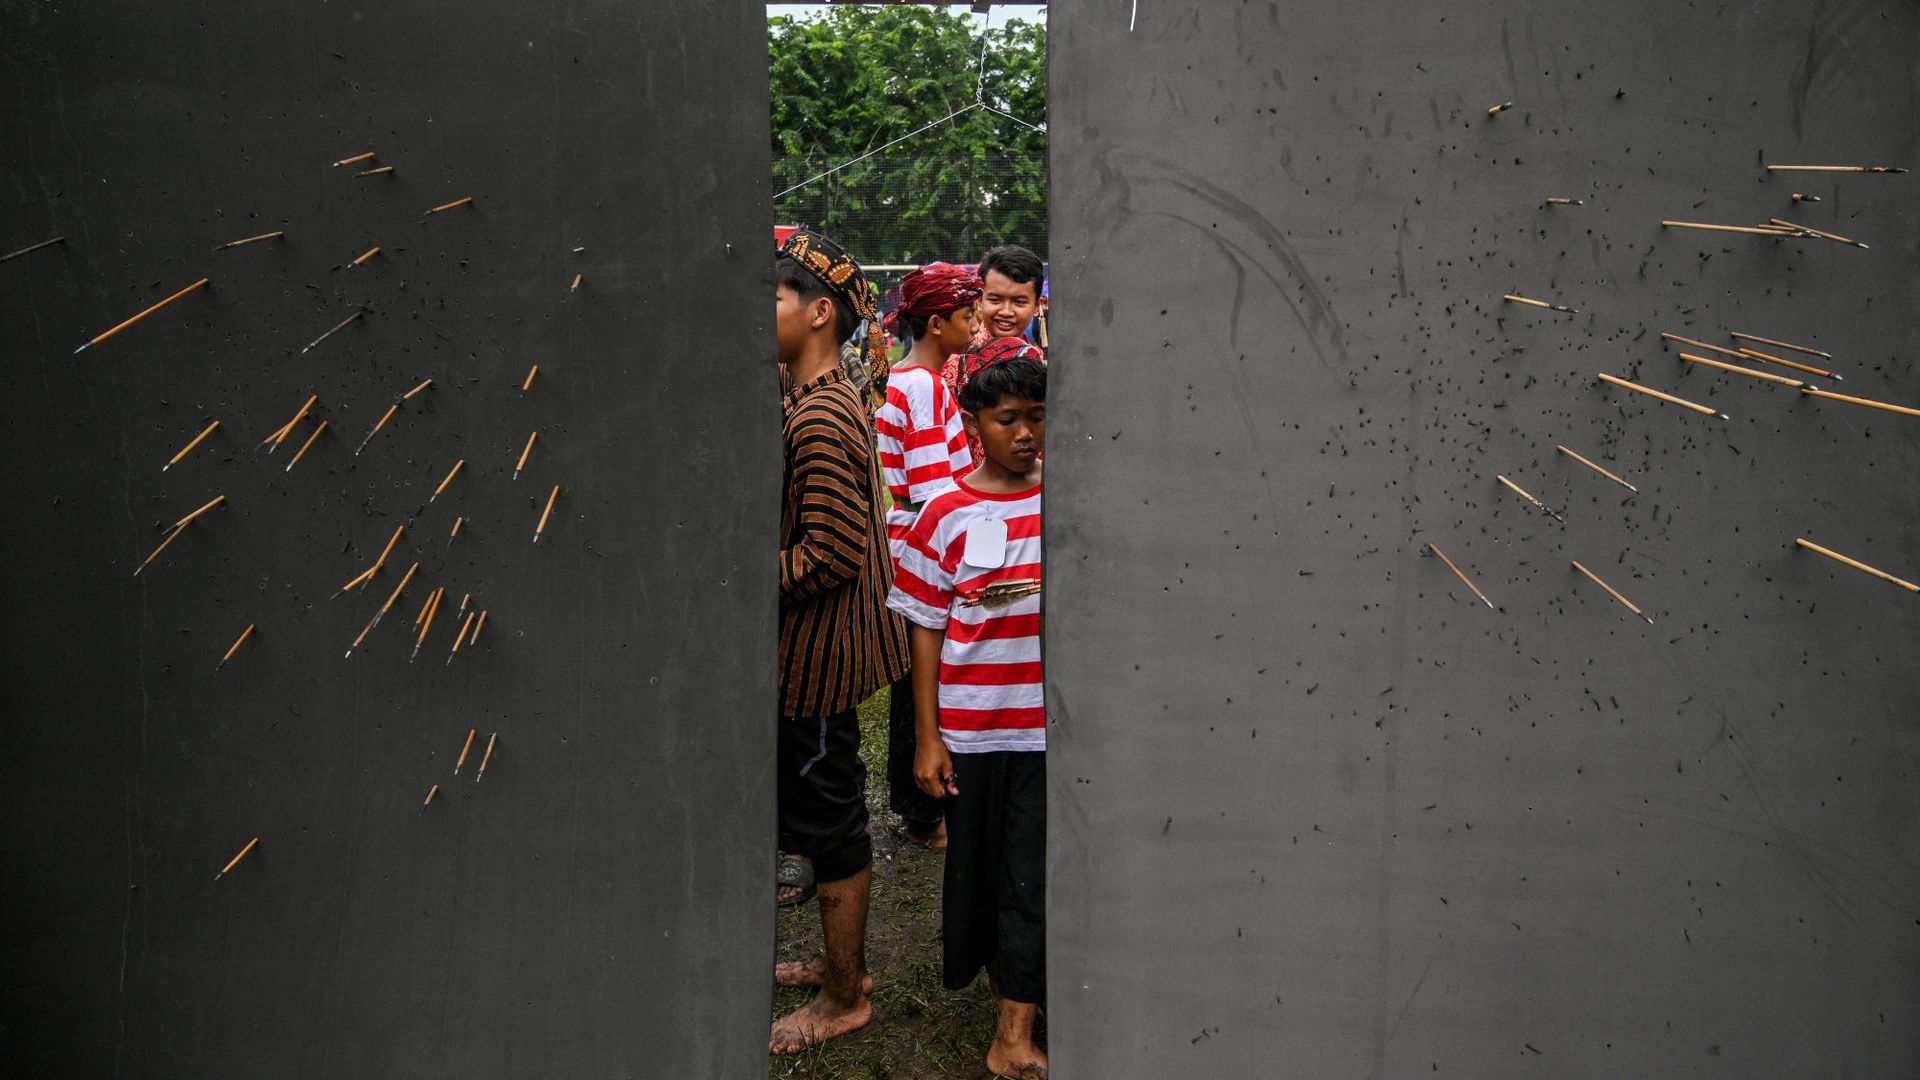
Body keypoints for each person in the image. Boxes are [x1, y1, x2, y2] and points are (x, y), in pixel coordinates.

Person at [888, 355, 1049, 1080]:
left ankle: (1014, 1030)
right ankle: (1005, 980)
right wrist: (927, 737)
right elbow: (923, 627)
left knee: (1032, 872)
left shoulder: (1066, 503)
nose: (1023, 433)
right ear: (973, 425)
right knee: (979, 868)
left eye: (1036, 417)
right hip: (973, 727)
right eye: (1006, 419)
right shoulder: (944, 514)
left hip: (1047, 732)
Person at [770, 229, 909, 1054]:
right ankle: (833, 966)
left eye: (776, 298)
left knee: (831, 822)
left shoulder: (822, 415)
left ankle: (848, 992)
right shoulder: (808, 397)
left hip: (817, 665)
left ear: (820, 313)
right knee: (815, 811)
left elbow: (828, 553)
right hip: (810, 657)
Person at [874, 262, 983, 849]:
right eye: (969, 316)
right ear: (939, 322)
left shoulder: (909, 379)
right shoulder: (924, 385)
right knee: (927, 669)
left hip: (916, 536)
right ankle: (924, 812)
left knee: (918, 669)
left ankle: (920, 806)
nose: (977, 326)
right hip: (927, 542)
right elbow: (932, 485)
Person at [974, 243, 1048, 344]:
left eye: (1019, 302)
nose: (1006, 312)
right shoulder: (960, 355)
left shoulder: (1036, 356)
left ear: (1036, 306)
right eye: (995, 300)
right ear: (980, 300)